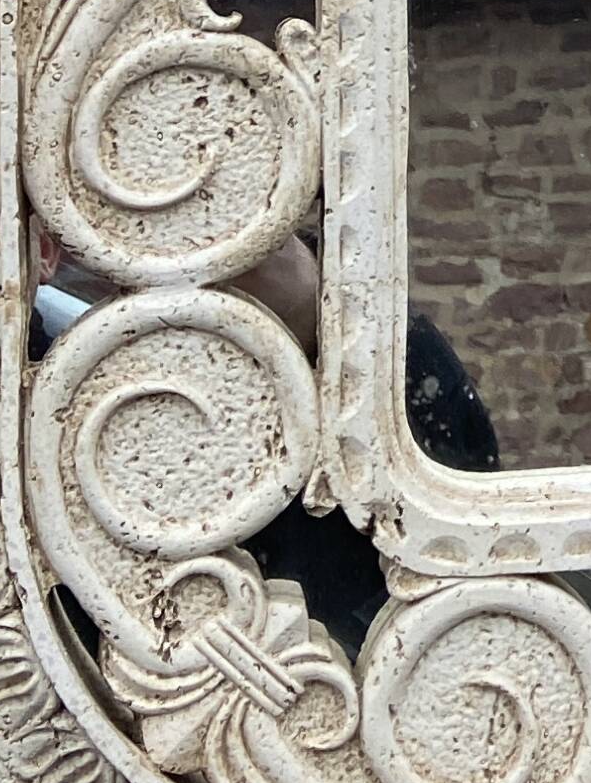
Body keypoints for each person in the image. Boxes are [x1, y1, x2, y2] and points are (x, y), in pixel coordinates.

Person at [29, 220, 500, 653]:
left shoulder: (158, 393)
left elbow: (458, 491)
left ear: (46, 250)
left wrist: (314, 318)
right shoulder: (65, 398)